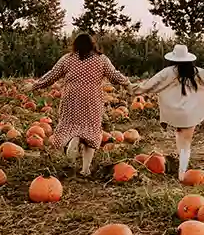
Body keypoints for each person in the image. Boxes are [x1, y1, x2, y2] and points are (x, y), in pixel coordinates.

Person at [27, 33, 130, 176]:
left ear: (75, 45)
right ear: (92, 45)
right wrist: (127, 83)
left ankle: (73, 140)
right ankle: (85, 169)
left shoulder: (67, 59)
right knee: (91, 131)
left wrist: (35, 85)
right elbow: (114, 75)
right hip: (91, 101)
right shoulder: (101, 60)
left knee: (70, 126)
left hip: (71, 100)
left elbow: (51, 75)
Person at [132, 44, 204, 180]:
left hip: (174, 112)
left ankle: (180, 162)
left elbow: (150, 84)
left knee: (179, 136)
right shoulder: (196, 71)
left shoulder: (168, 72)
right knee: (186, 143)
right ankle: (182, 173)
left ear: (173, 59)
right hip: (190, 113)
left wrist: (132, 88)